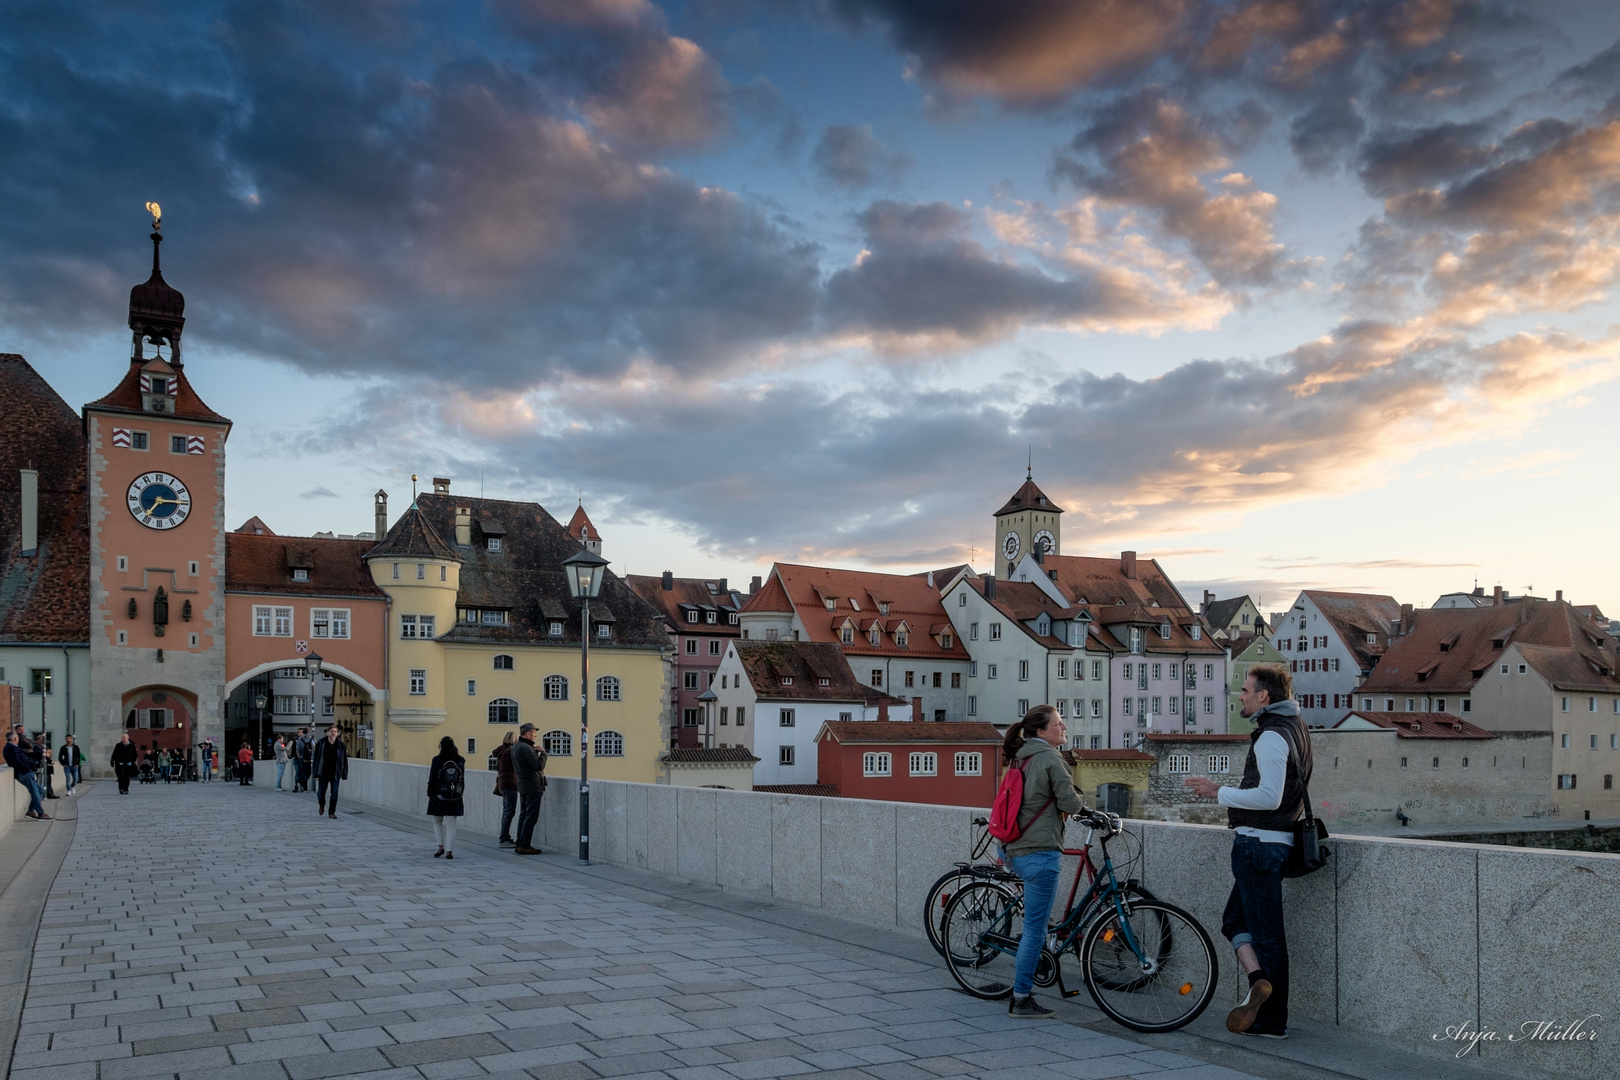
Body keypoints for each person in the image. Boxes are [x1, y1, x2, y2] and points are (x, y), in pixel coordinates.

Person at [1183, 664, 1311, 1041]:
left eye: (1245, 689)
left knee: (1269, 938)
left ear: (1264, 697)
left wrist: (1216, 791)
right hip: (1271, 843)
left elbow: (1269, 797)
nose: (1240, 695)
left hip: (1259, 843)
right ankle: (1258, 981)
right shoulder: (1296, 728)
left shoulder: (1272, 735)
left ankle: (1272, 1022)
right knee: (1233, 921)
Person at [997, 704, 1083, 1019]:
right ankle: (1021, 999)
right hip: (1040, 853)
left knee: (1034, 924)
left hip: (1014, 848)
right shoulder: (1050, 759)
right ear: (1041, 731)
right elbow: (1069, 802)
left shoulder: (1022, 757)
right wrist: (1083, 803)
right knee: (1035, 930)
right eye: (1059, 723)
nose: (1064, 728)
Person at [511, 723, 548, 855]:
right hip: (532, 785)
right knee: (531, 816)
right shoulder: (525, 748)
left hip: (523, 785)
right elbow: (538, 765)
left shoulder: (516, 747)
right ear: (527, 734)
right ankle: (524, 845)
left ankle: (520, 843)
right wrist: (543, 753)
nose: (535, 735)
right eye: (533, 733)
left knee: (524, 814)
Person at [427, 735, 466, 859]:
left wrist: (430, 792)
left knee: (437, 820)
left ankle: (440, 847)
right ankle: (449, 851)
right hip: (455, 795)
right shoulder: (460, 760)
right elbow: (462, 779)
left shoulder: (437, 760)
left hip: (439, 794)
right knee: (451, 823)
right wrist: (460, 793)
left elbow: (432, 777)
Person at [5, 731, 50, 820]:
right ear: (15, 739)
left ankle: (31, 811)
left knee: (40, 790)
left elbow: (25, 756)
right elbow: (17, 762)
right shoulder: (11, 748)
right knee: (35, 793)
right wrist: (28, 768)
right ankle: (41, 814)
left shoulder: (13, 747)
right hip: (24, 773)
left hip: (25, 772)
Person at [311, 725, 347, 818]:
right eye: (331, 731)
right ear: (327, 733)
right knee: (321, 792)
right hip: (323, 772)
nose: (333, 733)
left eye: (335, 731)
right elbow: (316, 759)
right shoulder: (321, 743)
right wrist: (315, 773)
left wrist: (344, 773)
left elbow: (344, 760)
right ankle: (322, 805)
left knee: (334, 793)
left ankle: (332, 812)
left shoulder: (340, 744)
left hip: (335, 773)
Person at [494, 730, 518, 846]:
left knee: (506, 811)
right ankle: (504, 838)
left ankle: (505, 836)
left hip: (503, 784)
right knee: (509, 812)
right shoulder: (509, 752)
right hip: (510, 784)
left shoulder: (501, 750)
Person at [295, 727, 313, 792]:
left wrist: (300, 757)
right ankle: (303, 784)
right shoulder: (312, 739)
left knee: (303, 773)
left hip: (303, 759)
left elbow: (298, 751)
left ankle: (304, 786)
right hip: (311, 759)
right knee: (309, 773)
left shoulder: (300, 740)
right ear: (308, 732)